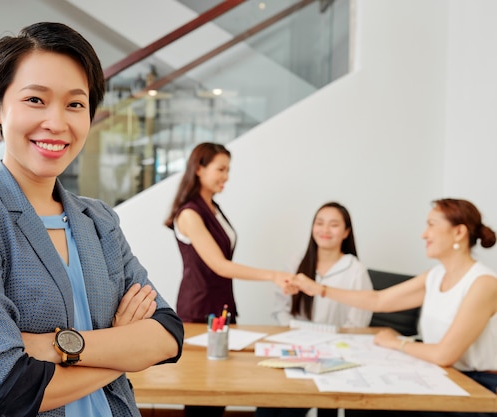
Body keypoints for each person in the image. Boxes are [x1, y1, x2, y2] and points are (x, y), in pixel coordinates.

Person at [0, 22, 183, 417]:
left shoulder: (98, 220)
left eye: (75, 104)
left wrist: (55, 345)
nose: (57, 123)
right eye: (35, 100)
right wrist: (124, 347)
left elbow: (167, 334)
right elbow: (6, 386)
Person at [291, 198, 497, 417]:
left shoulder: (483, 283)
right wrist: (319, 289)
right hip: (444, 376)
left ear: (459, 233)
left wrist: (396, 342)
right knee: (361, 404)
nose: (424, 234)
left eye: (431, 225)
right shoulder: (435, 276)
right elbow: (378, 301)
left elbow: (443, 354)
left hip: (479, 388)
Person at [165, 142, 294, 417]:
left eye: (228, 170)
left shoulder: (213, 207)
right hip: (199, 310)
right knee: (203, 392)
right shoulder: (190, 213)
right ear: (199, 169)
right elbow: (219, 265)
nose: (226, 176)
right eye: (220, 169)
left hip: (222, 306)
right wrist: (272, 275)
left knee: (218, 388)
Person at [257, 202, 373, 417]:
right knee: (268, 404)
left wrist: (325, 345)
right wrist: (294, 334)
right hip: (296, 349)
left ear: (346, 232)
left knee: (298, 404)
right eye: (319, 223)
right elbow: (280, 309)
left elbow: (357, 323)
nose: (325, 230)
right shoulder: (298, 261)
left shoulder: (355, 270)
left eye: (333, 225)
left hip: (335, 353)